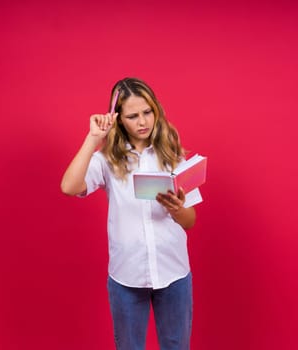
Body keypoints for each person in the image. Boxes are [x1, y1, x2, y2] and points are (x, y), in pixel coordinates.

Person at [61, 77, 203, 350]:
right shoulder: (107, 160)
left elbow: (191, 221)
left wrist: (177, 210)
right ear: (118, 119)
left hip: (174, 273)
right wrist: (93, 139)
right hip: (126, 276)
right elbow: (69, 186)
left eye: (147, 112)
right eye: (132, 116)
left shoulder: (172, 155)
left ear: (156, 110)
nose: (142, 122)